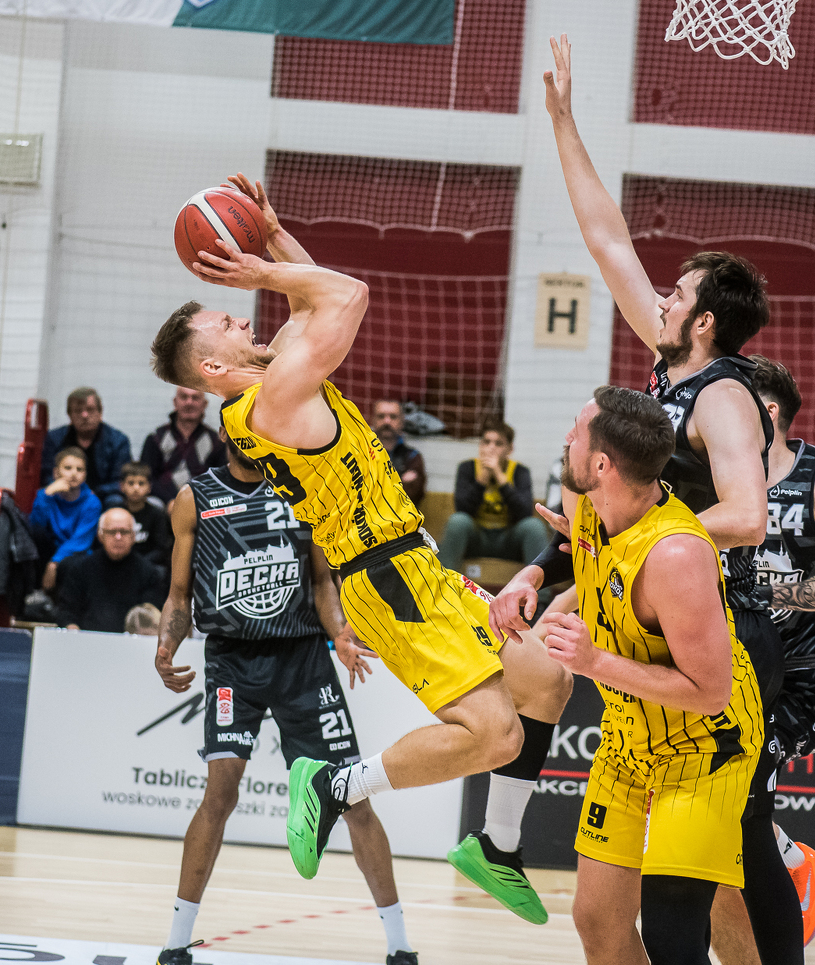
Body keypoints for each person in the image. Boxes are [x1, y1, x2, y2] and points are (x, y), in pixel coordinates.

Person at [150, 172, 571, 925]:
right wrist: (261, 270)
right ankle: (335, 784)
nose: (240, 314)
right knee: (497, 735)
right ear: (212, 369)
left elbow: (313, 301)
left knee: (547, 684)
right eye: (224, 321)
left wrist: (272, 232)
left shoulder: (275, 371)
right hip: (385, 578)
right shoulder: (270, 398)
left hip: (416, 561)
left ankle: (498, 846)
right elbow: (348, 295)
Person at [496, 34, 796, 965]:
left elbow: (748, 513)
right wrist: (561, 122)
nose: (659, 298)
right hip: (655, 614)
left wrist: (637, 552)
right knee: (652, 901)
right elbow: (608, 242)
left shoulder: (724, 396)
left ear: (703, 321)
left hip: (722, 628)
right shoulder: (671, 371)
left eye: (676, 294)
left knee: (728, 875)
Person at [152, 434, 418, 965]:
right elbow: (178, 595)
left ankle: (400, 946)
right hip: (231, 660)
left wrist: (340, 634)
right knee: (219, 795)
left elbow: (323, 581)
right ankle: (175, 942)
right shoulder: (194, 498)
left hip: (303, 659)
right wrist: (165, 646)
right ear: (227, 435)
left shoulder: (300, 492)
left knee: (353, 799)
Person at [535, 388, 764, 965]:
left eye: (577, 432)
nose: (567, 439)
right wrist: (529, 578)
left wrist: (594, 662)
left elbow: (710, 693)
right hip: (628, 737)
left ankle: (778, 865)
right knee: (596, 918)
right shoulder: (587, 499)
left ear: (602, 465)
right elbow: (573, 550)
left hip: (704, 746)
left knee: (673, 932)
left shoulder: (676, 556)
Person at [709, 355, 815, 957]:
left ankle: (792, 865)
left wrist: (769, 597)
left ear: (766, 411)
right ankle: (791, 859)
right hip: (732, 673)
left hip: (802, 678)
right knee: (708, 808)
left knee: (740, 790)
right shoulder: (720, 482)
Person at [438, 421, 547, 572]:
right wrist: (483, 479)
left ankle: (541, 587)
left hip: (508, 541)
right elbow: (462, 509)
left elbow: (524, 512)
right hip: (477, 539)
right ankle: (441, 582)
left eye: (498, 444)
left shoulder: (520, 471)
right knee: (457, 521)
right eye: (486, 442)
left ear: (510, 449)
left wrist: (499, 475)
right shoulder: (468, 468)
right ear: (480, 446)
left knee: (534, 526)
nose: (491, 448)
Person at [52, 508, 166, 632]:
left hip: (130, 641)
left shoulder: (149, 573)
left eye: (124, 532)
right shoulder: (79, 569)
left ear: (134, 536)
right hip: (87, 640)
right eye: (112, 532)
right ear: (100, 535)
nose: (118, 537)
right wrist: (73, 631)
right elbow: (66, 613)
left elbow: (149, 619)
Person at [41, 387, 131, 505]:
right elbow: (46, 475)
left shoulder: (118, 441)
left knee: (115, 500)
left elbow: (120, 482)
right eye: (78, 411)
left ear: (100, 412)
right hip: (63, 494)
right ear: (69, 415)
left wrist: (90, 493)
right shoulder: (54, 439)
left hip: (101, 496)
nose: (84, 415)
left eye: (90, 409)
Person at [29, 446, 102, 590]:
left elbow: (81, 541)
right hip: (50, 548)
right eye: (68, 468)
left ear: (85, 475)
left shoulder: (92, 502)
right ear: (56, 473)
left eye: (79, 469)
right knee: (35, 537)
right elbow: (35, 526)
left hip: (76, 552)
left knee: (72, 563)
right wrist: (46, 496)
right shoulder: (46, 495)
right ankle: (35, 592)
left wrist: (54, 562)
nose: (74, 473)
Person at [141, 386, 226, 504]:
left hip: (203, 503)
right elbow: (147, 478)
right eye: (184, 397)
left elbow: (221, 480)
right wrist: (169, 501)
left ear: (204, 404)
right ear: (175, 402)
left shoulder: (217, 442)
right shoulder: (156, 438)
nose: (189, 402)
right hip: (163, 505)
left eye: (195, 398)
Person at [371, 399, 426, 506]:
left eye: (393, 417)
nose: (387, 421)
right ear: (373, 420)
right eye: (381, 416)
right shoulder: (360, 453)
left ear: (401, 422)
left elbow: (412, 496)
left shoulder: (413, 457)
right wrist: (400, 482)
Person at [120, 460, 172, 567]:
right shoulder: (115, 513)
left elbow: (161, 549)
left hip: (147, 566)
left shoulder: (157, 514)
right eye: (131, 483)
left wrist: (139, 564)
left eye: (141, 483)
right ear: (122, 486)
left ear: (149, 487)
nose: (136, 488)